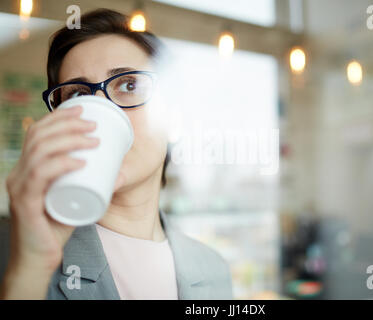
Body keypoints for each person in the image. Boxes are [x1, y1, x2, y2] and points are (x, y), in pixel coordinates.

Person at [0, 8, 233, 300]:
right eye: (77, 95)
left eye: (129, 85)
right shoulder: (15, 256)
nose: (100, 107)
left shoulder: (213, 271)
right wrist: (29, 270)